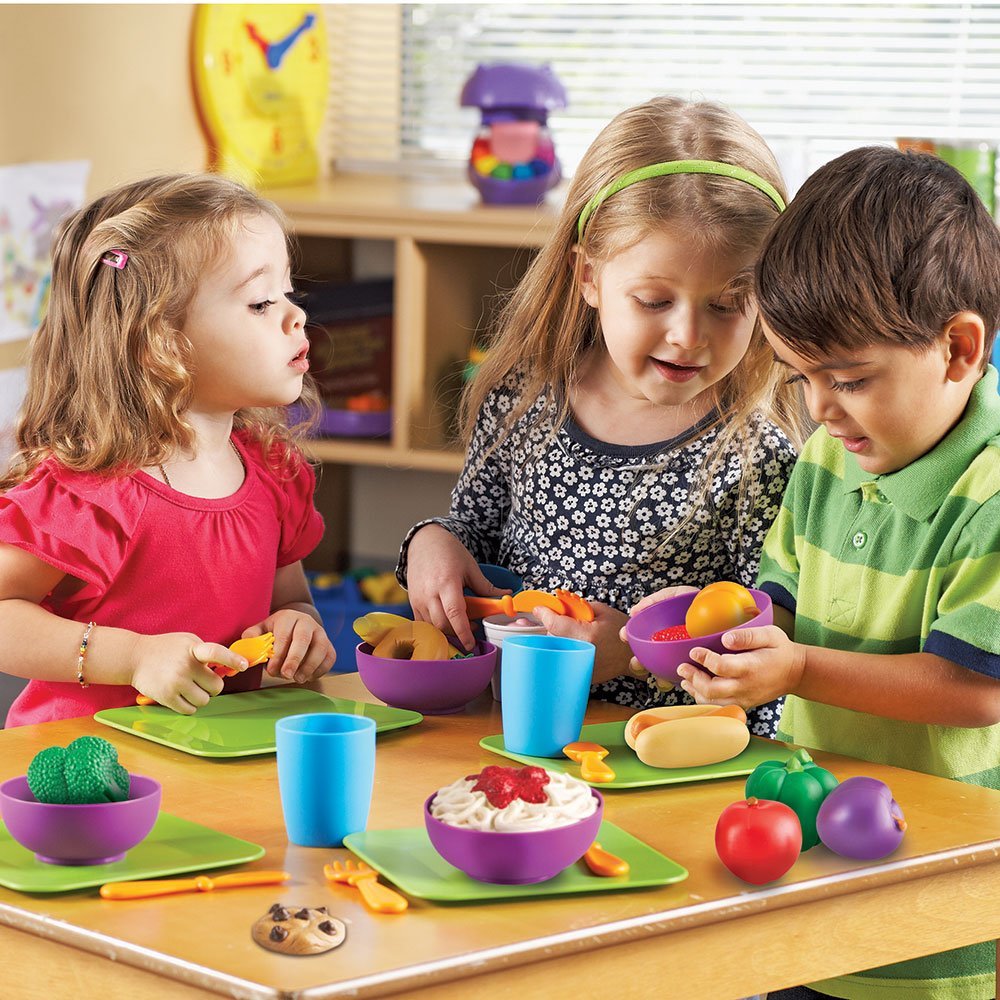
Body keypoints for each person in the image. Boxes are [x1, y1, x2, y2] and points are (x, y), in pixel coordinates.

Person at [671, 146, 1000, 1000]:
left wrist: (799, 670)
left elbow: (976, 691)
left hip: (938, 907)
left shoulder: (992, 493)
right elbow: (779, 600)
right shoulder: (829, 455)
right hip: (809, 866)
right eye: (802, 377)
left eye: (849, 379)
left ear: (958, 349)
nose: (820, 408)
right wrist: (725, 630)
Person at [398, 96, 807, 733]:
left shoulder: (758, 456)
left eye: (728, 304)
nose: (687, 335)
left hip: (668, 755)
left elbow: (765, 647)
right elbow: (474, 533)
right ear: (589, 276)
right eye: (654, 301)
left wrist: (635, 657)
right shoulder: (524, 400)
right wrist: (432, 541)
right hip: (512, 732)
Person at [0, 173, 335, 725]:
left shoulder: (273, 473)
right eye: (259, 302)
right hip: (86, 764)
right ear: (158, 340)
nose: (295, 315)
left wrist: (298, 627)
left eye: (288, 292)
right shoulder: (92, 497)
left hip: (215, 758)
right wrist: (132, 657)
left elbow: (291, 600)